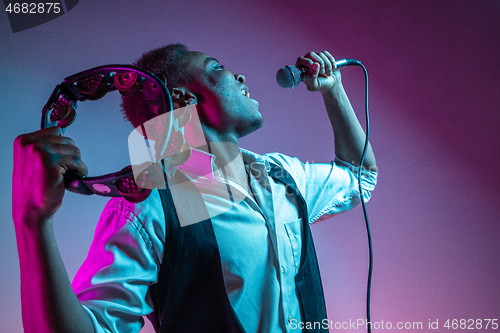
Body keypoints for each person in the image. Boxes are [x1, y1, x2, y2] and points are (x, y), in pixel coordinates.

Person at [12, 44, 377, 333]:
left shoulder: (281, 175)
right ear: (184, 99)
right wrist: (32, 221)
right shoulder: (148, 205)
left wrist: (334, 91)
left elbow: (361, 176)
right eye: (218, 69)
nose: (239, 75)